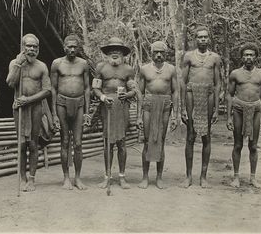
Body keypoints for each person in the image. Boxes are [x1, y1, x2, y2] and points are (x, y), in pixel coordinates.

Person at [92, 37, 141, 189]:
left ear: (122, 53)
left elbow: (134, 90)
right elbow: (95, 88)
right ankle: (107, 176)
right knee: (107, 143)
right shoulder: (100, 67)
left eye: (117, 50)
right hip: (106, 107)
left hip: (122, 107)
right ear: (107, 53)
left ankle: (122, 177)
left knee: (121, 142)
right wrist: (102, 97)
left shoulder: (128, 69)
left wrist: (127, 95)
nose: (115, 53)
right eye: (111, 50)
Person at [6, 34, 51, 192]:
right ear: (23, 47)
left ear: (38, 49)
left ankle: (31, 179)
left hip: (36, 108)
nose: (32, 49)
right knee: (21, 144)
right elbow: (11, 83)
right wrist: (18, 64)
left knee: (33, 144)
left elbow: (47, 91)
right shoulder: (15, 63)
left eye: (35, 47)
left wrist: (29, 100)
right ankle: (23, 177)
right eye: (29, 46)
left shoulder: (42, 66)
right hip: (19, 109)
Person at [180, 26, 221, 188]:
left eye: (205, 37)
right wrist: (183, 107)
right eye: (200, 37)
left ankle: (203, 176)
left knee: (206, 136)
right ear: (195, 39)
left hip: (208, 95)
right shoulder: (188, 56)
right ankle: (188, 176)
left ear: (209, 39)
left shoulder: (215, 58)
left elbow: (217, 84)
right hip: (191, 94)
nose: (203, 40)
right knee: (190, 135)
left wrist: (217, 109)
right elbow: (182, 82)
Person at [51, 34, 91, 190]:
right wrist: (54, 113)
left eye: (75, 47)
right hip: (62, 102)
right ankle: (66, 178)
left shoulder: (84, 64)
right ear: (64, 47)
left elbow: (87, 88)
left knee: (79, 143)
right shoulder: (57, 64)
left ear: (78, 48)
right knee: (65, 141)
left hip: (79, 104)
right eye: (70, 46)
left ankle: (78, 178)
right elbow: (53, 89)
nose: (72, 49)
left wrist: (87, 112)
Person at [137, 41, 178, 189]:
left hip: (165, 105)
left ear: (166, 53)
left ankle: (159, 177)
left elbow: (175, 91)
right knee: (148, 141)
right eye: (156, 52)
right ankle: (145, 177)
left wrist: (175, 115)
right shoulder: (144, 69)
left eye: (162, 52)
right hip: (149, 104)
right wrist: (138, 116)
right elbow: (139, 93)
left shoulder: (171, 69)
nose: (159, 55)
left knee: (160, 140)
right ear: (151, 53)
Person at [226, 43, 261, 188]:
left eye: (251, 54)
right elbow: (230, 95)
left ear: (255, 56)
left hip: (255, 110)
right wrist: (229, 117)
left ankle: (253, 177)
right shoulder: (235, 74)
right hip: (238, 109)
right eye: (246, 55)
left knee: (253, 146)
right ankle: (236, 177)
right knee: (237, 145)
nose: (248, 57)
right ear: (242, 57)